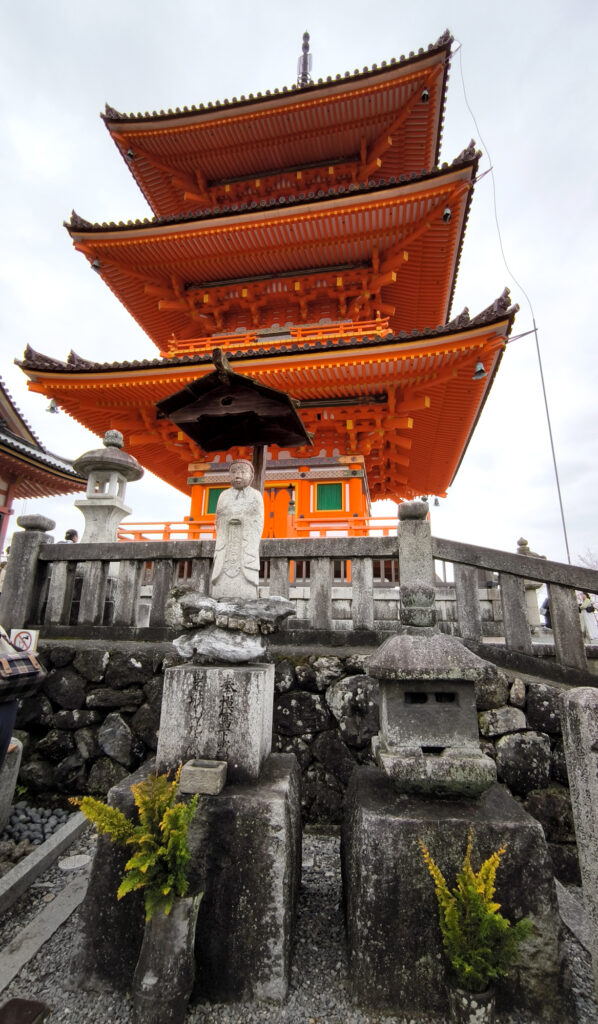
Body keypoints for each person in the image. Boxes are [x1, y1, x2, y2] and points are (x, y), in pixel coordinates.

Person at [211, 460, 264, 600]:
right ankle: (221, 592)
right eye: (233, 472)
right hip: (227, 542)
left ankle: (246, 592)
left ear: (251, 476)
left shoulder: (256, 495)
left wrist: (243, 520)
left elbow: (258, 520)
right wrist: (227, 521)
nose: (237, 475)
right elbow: (218, 518)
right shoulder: (223, 495)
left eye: (242, 472)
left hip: (245, 544)